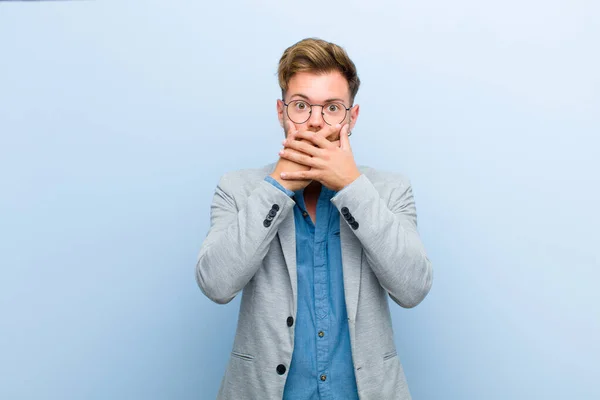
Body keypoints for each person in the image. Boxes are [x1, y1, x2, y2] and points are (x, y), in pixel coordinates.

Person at [195, 37, 433, 400]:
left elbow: (413, 288)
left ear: (351, 117)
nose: (315, 123)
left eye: (332, 108)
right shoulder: (238, 189)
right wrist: (278, 185)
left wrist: (351, 186)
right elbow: (215, 284)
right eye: (301, 105)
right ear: (281, 112)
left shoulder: (389, 190)